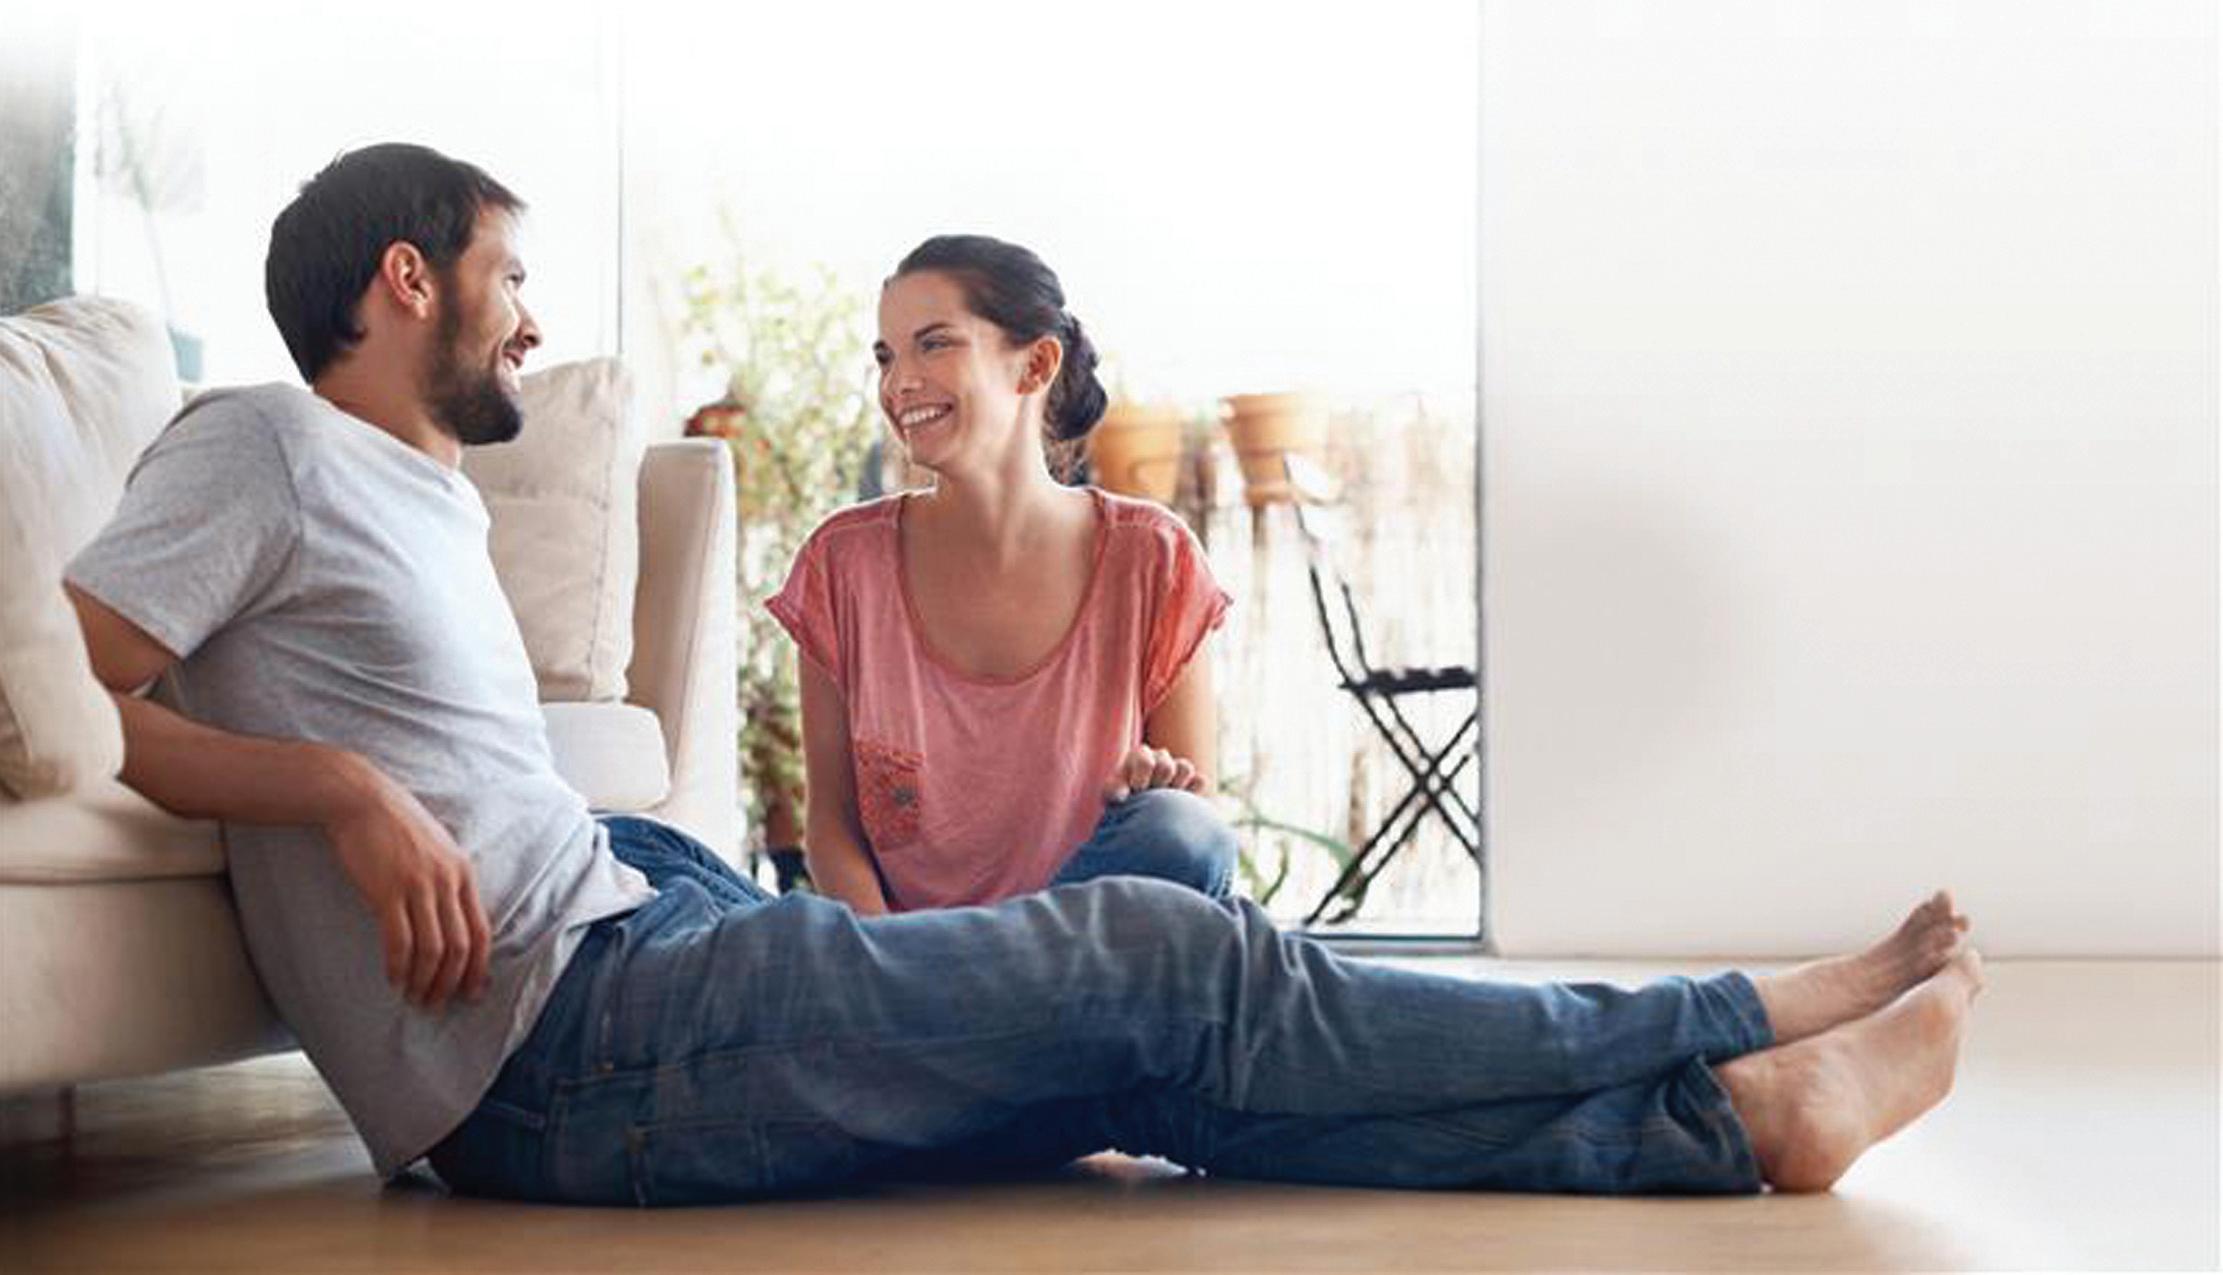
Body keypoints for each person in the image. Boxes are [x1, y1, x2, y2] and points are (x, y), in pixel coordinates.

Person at [64, 143, 1980, 1206]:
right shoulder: (260, 444)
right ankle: (1720, 1019)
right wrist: (338, 791)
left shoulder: (413, 494)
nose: (531, 315)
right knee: (1158, 964)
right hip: (560, 1052)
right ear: (403, 279)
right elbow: (79, 696)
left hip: (639, 932)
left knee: (1158, 984)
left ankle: (1735, 1130)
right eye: (504, 274)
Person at [769, 234, 1236, 914]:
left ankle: (1011, 978)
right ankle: (989, 981)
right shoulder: (841, 564)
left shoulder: (1153, 559)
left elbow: (1193, 826)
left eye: (934, 344)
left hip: (1080, 948)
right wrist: (893, 955)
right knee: (642, 847)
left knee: (1182, 829)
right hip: (905, 961)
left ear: (1035, 365)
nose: (897, 383)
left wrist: (1152, 789)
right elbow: (831, 829)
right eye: (885, 356)